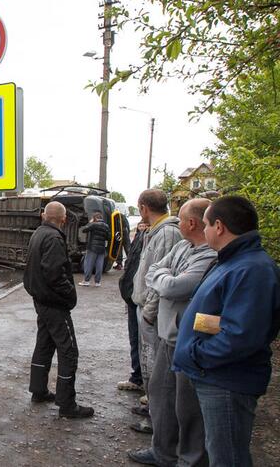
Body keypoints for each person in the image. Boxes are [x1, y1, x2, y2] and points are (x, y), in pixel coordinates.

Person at [174, 196, 280, 467]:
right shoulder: (234, 261)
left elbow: (241, 336)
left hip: (225, 381)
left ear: (219, 227)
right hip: (216, 376)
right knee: (218, 451)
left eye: (206, 224)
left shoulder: (252, 269)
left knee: (227, 458)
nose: (204, 230)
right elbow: (225, 319)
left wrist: (197, 355)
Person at [128, 199, 216, 467]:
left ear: (191, 223)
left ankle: (188, 459)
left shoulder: (210, 255)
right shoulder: (182, 245)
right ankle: (162, 452)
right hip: (168, 335)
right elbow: (155, 271)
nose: (177, 222)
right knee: (160, 394)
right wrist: (165, 278)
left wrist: (164, 280)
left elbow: (176, 287)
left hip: (186, 340)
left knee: (186, 406)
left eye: (181, 218)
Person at [23, 201, 93, 418]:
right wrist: (69, 295)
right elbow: (55, 273)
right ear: (63, 219)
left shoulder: (39, 233)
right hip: (54, 303)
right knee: (69, 350)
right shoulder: (53, 237)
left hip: (42, 300)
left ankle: (39, 390)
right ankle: (67, 404)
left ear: (44, 215)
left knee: (44, 344)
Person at [131, 189, 182, 434]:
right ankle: (152, 406)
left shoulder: (168, 233)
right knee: (149, 361)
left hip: (152, 312)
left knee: (155, 364)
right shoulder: (157, 231)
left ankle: (157, 418)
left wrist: (149, 312)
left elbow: (161, 277)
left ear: (143, 208)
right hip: (146, 307)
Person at [117, 221, 149, 393]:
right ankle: (138, 378)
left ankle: (147, 385)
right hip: (133, 296)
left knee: (144, 342)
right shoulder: (143, 234)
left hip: (142, 300)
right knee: (135, 339)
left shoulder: (161, 234)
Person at [79, 212, 111, 287]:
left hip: (92, 248)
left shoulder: (93, 224)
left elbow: (84, 230)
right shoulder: (106, 226)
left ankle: (86, 281)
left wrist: (90, 223)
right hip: (101, 248)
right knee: (99, 265)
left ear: (95, 218)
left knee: (89, 264)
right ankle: (97, 282)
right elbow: (108, 237)